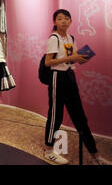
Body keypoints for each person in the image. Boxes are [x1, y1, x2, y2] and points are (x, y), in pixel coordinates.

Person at [43, 9, 111, 165]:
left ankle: (95, 156)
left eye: (67, 18)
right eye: (59, 19)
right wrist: (71, 57)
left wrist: (80, 58)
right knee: (56, 115)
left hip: (69, 76)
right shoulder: (54, 38)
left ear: (71, 21)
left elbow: (71, 59)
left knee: (80, 117)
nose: (63, 21)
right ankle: (48, 150)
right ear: (54, 22)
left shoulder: (70, 37)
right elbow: (48, 62)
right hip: (57, 77)